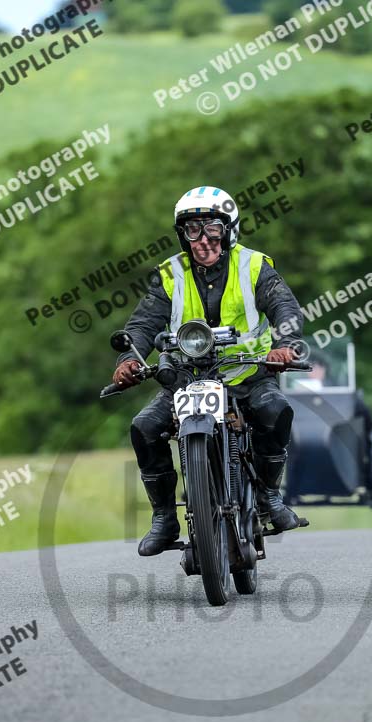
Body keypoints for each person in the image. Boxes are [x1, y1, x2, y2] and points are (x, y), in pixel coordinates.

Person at [112, 186, 304, 556]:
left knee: (276, 411)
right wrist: (129, 360)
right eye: (192, 230)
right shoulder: (170, 274)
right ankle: (165, 518)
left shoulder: (253, 266)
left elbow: (285, 309)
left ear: (229, 229)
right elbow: (143, 323)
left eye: (212, 228)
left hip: (248, 374)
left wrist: (286, 345)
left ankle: (268, 496)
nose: (202, 240)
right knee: (145, 427)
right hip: (186, 379)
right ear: (182, 235)